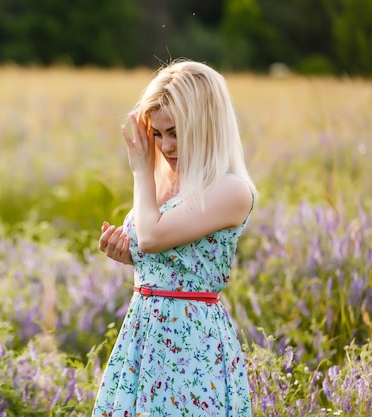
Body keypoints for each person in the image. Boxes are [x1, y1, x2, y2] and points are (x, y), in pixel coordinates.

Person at [93, 60, 256, 417]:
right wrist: (128, 254)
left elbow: (150, 236)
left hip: (190, 342)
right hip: (144, 333)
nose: (165, 146)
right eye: (157, 134)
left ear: (206, 125)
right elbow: (159, 252)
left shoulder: (230, 190)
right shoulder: (167, 183)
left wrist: (139, 168)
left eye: (176, 132)